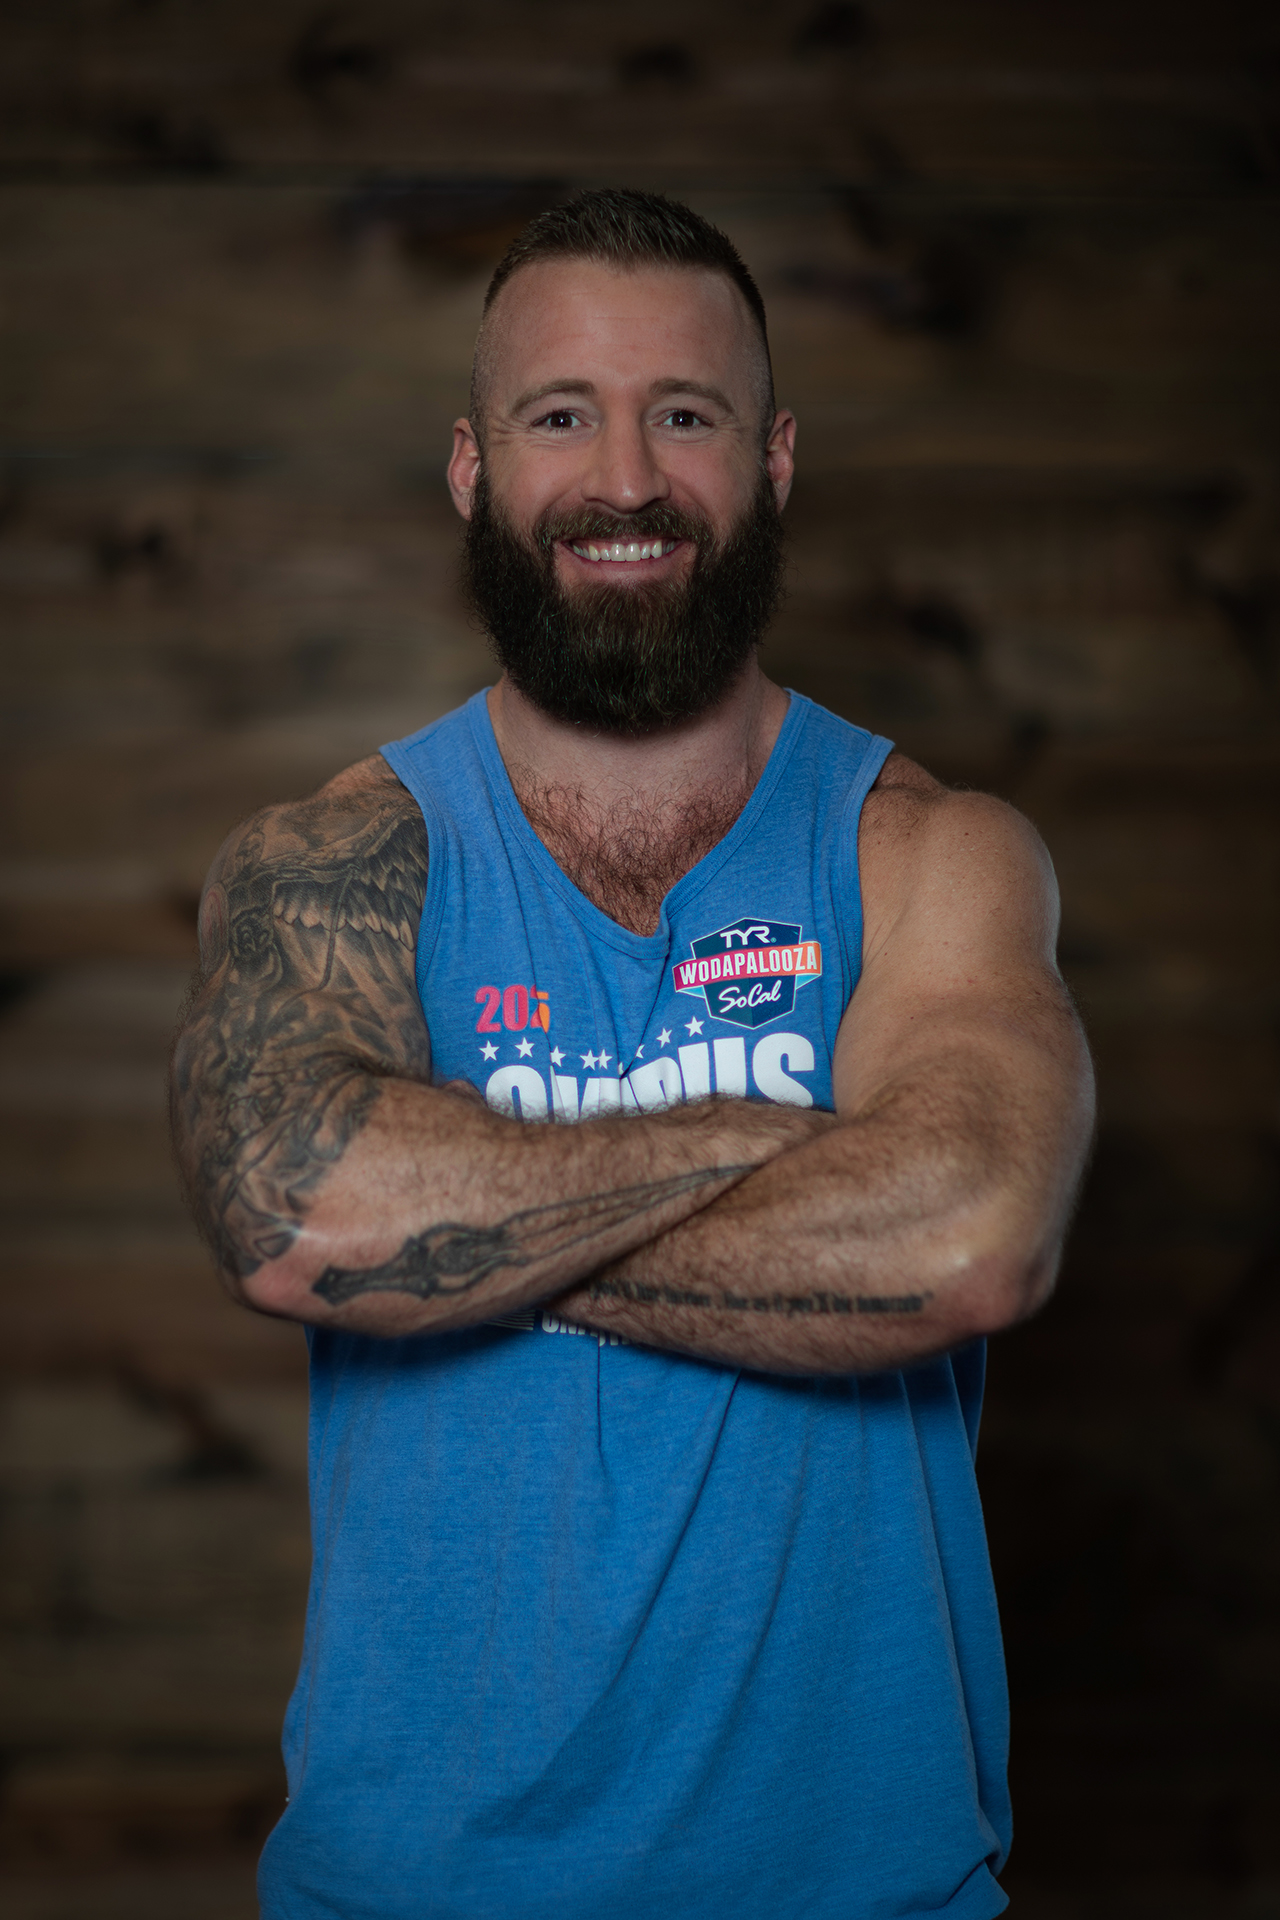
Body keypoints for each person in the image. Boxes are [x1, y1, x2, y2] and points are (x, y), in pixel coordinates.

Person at [170, 189, 1093, 1920]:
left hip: (861, 1889)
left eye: (685, 414)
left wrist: (457, 1218)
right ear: (471, 468)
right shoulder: (336, 862)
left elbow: (970, 1236)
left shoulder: (931, 853)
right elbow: (295, 1211)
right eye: (558, 416)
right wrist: (789, 1149)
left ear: (774, 460)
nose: (624, 479)